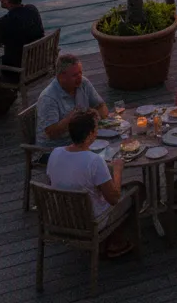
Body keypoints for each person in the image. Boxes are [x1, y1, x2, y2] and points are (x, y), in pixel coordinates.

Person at [46, 109, 137, 255]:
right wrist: (117, 170)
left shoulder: (55, 153)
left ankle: (108, 240)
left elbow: (58, 180)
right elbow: (114, 199)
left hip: (62, 218)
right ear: (89, 135)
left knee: (97, 189)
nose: (97, 131)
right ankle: (114, 242)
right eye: (96, 129)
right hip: (91, 222)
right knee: (137, 190)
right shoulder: (94, 161)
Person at [0, 0, 44, 117]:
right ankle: (4, 98)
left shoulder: (4, 22)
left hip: (16, 72)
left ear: (6, 0)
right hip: (37, 64)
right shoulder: (32, 10)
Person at [36, 54, 109, 147]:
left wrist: (95, 115)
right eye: (75, 75)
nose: (79, 77)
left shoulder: (83, 83)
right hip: (54, 149)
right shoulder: (48, 98)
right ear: (61, 77)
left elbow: (102, 107)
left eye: (80, 73)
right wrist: (71, 119)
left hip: (81, 141)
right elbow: (51, 133)